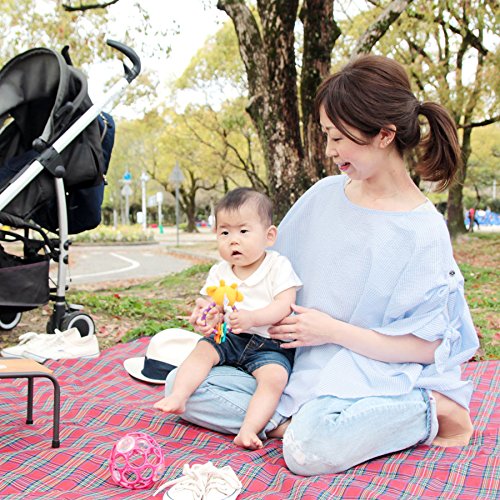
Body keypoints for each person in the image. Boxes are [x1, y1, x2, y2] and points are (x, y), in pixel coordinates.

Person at [164, 55, 479, 475]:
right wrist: (224, 308)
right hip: (293, 366)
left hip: (373, 376)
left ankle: (428, 409)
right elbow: (268, 274)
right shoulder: (323, 195)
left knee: (310, 450)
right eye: (327, 135)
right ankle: (291, 423)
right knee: (182, 384)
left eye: (338, 138)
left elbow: (428, 348)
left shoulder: (422, 231)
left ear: (384, 135)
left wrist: (332, 331)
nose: (329, 150)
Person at [155, 187, 302, 450]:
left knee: (275, 379)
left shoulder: (277, 266)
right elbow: (211, 304)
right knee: (202, 350)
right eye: (225, 233)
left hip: (268, 344)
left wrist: (253, 318)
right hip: (230, 337)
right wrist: (207, 315)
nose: (233, 241)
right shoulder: (219, 271)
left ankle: (249, 429)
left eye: (243, 231)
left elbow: (285, 304)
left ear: (269, 236)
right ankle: (179, 395)